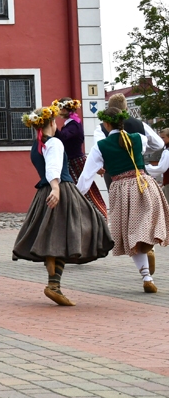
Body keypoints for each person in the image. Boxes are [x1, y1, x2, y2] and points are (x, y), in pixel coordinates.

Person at [12, 106, 112, 306]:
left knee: (52, 237)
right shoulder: (55, 142)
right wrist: (56, 188)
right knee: (86, 225)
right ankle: (53, 286)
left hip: (44, 192)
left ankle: (53, 285)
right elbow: (53, 167)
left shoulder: (37, 144)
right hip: (60, 189)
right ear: (51, 123)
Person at [78, 107, 169, 293]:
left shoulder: (101, 146)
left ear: (106, 123)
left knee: (132, 234)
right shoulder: (139, 138)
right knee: (147, 224)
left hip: (122, 190)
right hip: (144, 184)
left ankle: (146, 275)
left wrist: (77, 196)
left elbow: (86, 177)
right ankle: (148, 250)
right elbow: (157, 144)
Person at [53, 98, 107, 218]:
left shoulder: (74, 125)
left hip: (75, 162)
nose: (58, 110)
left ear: (66, 109)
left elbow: (63, 137)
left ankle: (98, 216)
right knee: (77, 190)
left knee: (84, 190)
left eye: (60, 108)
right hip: (72, 161)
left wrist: (52, 125)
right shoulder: (72, 123)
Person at [94, 94, 163, 189]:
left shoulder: (101, 127)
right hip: (138, 173)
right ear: (126, 108)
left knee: (118, 202)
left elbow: (100, 150)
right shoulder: (140, 124)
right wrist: (138, 149)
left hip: (114, 174)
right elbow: (159, 144)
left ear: (109, 108)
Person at [145, 128, 169, 204]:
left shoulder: (167, 152)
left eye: (163, 137)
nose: (161, 140)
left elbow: (161, 168)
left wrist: (145, 168)